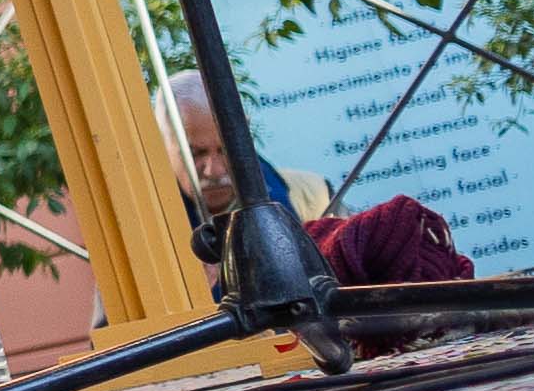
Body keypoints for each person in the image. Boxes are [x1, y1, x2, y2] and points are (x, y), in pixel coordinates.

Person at [165, 75, 470, 288]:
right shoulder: (152, 236)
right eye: (196, 154)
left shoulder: (312, 195)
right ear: (160, 148)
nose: (214, 170)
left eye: (226, 149)